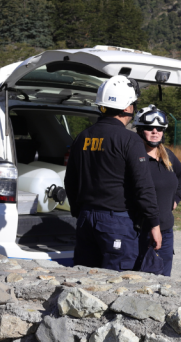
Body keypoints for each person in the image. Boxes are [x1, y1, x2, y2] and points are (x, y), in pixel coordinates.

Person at [64, 75, 162, 270]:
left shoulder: (82, 137)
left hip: (86, 219)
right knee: (115, 282)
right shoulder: (129, 139)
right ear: (127, 107)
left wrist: (79, 211)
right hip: (116, 222)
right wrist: (154, 223)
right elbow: (143, 186)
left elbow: (70, 181)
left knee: (85, 277)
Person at [134, 105, 181, 276]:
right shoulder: (135, 157)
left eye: (159, 129)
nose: (155, 132)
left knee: (163, 282)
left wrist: (176, 198)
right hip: (140, 231)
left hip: (165, 229)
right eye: (150, 128)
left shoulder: (168, 156)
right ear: (141, 130)